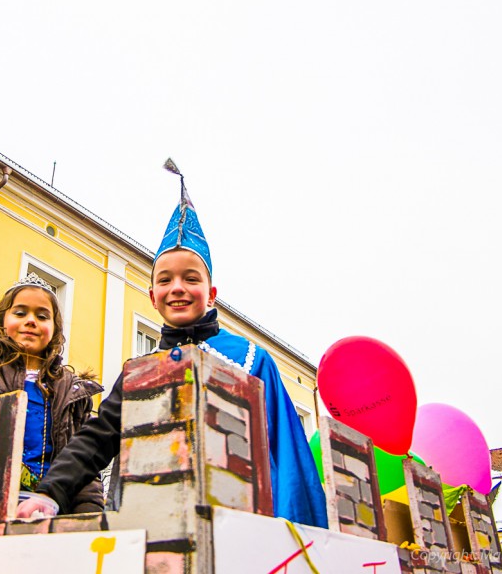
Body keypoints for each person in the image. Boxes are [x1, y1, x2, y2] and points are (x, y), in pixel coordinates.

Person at [16, 160, 328, 527]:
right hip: (159, 528)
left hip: (242, 529)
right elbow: (100, 436)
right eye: (165, 280)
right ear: (152, 296)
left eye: (190, 278)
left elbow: (287, 457)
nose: (177, 287)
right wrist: (51, 493)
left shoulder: (252, 360)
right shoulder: (141, 373)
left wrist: (288, 537)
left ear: (211, 293)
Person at [0, 272, 104, 513]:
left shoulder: (72, 392)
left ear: (54, 329)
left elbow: (85, 462)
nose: (31, 320)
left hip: (51, 511)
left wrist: (89, 517)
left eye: (42, 316)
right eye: (20, 312)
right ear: (1, 322)